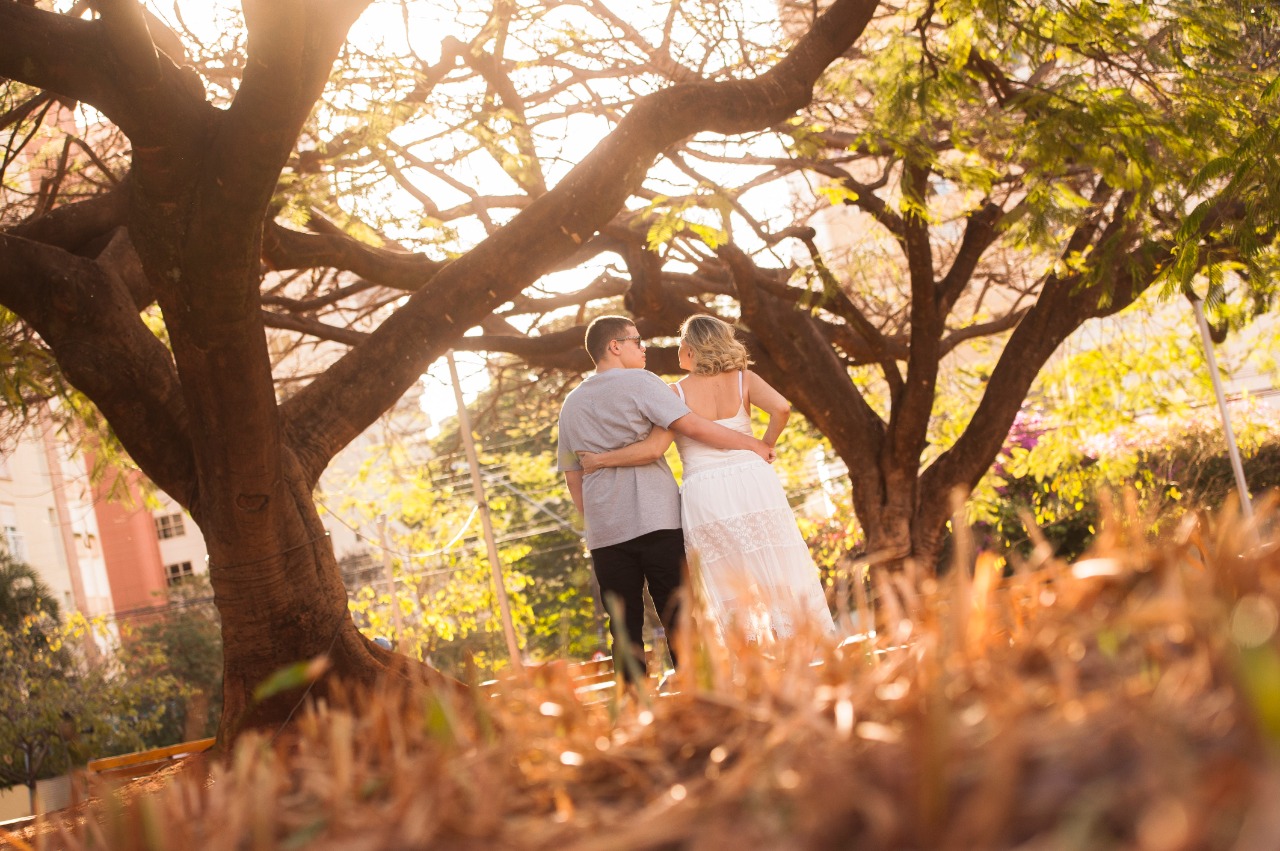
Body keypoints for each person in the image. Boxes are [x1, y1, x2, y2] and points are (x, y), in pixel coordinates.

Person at [580, 315, 836, 644]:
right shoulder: (744, 379)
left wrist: (601, 459)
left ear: (691, 349)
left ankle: (749, 656)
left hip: (706, 489)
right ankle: (802, 642)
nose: (678, 349)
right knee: (775, 560)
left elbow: (656, 447)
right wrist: (765, 445)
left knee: (724, 577)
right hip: (752, 479)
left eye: (681, 342)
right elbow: (782, 408)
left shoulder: (675, 392)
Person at [556, 315, 775, 682]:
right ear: (615, 346)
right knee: (679, 614)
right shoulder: (642, 382)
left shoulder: (571, 404)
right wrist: (751, 442)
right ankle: (697, 693)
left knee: (623, 626)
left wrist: (593, 520)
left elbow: (572, 473)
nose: (644, 348)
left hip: (606, 531)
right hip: (658, 520)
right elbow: (692, 426)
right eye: (637, 341)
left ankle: (634, 706)